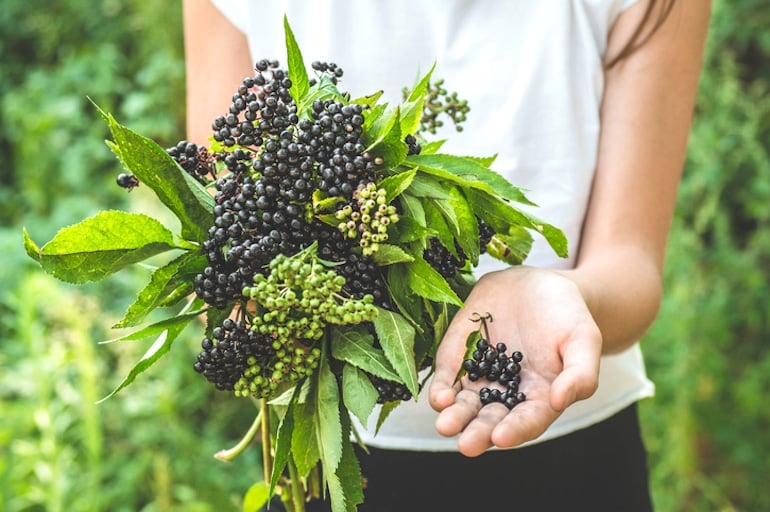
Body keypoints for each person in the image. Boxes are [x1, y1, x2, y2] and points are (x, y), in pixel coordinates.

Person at [183, 1, 711, 510]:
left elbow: (631, 265)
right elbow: (225, 221)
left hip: (570, 445)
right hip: (339, 459)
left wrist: (567, 296)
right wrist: (262, 305)